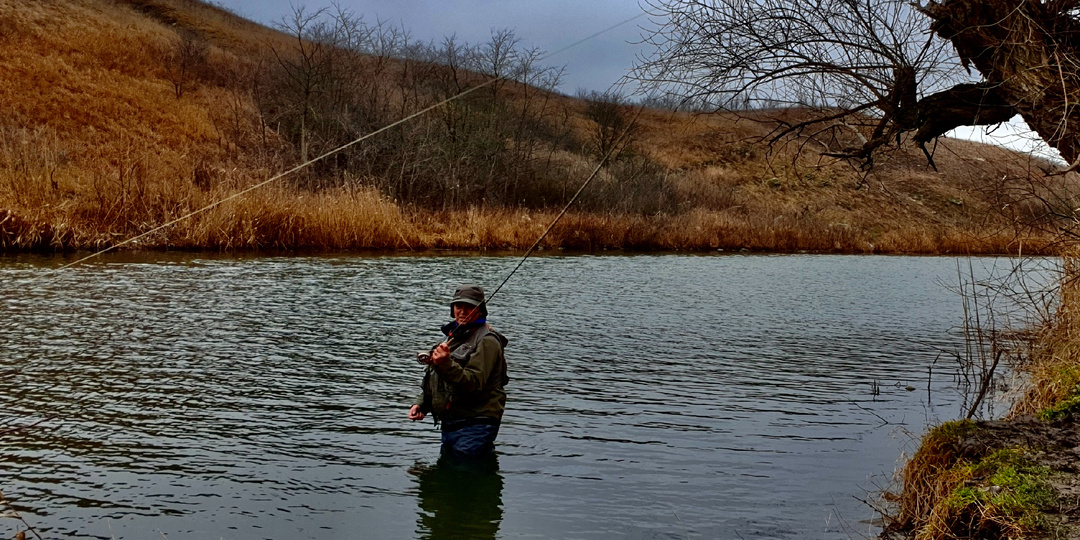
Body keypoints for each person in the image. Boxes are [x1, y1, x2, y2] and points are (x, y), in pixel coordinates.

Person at [409, 284, 509, 457]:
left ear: (480, 310)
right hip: (452, 425)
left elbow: (473, 384)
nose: (463, 311)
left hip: (475, 425)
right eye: (458, 306)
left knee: (464, 475)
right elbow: (436, 378)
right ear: (452, 309)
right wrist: (422, 404)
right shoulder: (454, 337)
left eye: (469, 307)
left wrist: (445, 363)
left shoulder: (487, 341)